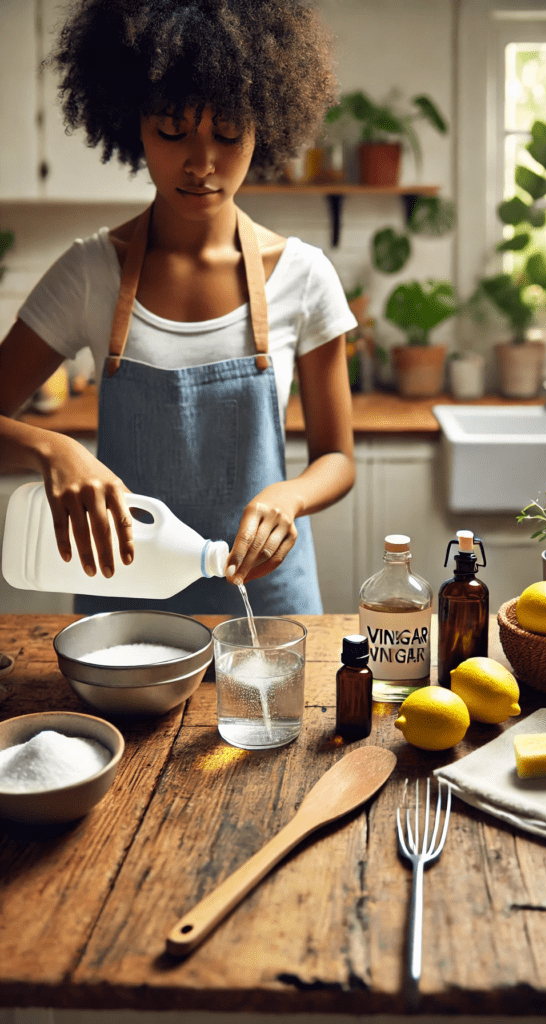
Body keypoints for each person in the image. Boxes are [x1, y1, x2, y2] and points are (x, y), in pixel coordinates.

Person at [0, 0, 356, 617]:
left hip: (268, 607)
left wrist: (292, 497)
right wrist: (53, 449)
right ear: (133, 122)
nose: (201, 163)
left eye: (228, 134)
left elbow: (338, 458)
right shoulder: (89, 272)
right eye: (172, 131)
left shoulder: (303, 275)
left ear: (262, 129)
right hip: (126, 617)